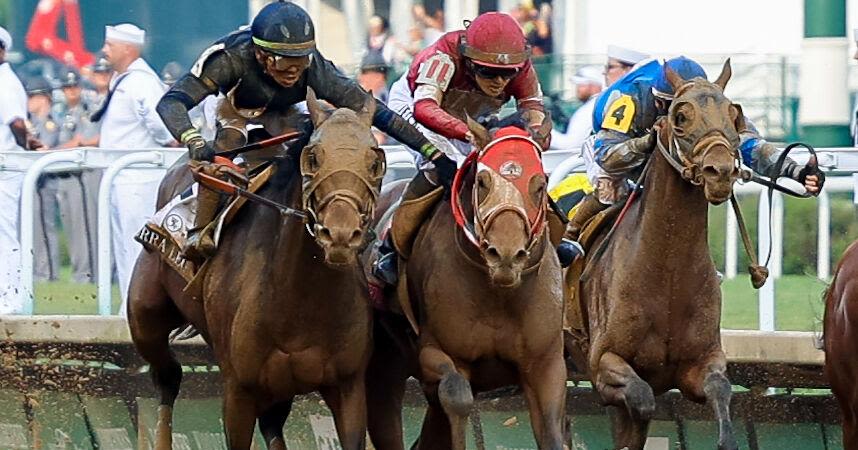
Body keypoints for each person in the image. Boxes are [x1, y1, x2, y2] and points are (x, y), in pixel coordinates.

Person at [156, 1, 442, 258]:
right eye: (283, 61)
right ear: (259, 55)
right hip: (234, 107)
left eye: (301, 60)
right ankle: (200, 233)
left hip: (286, 111)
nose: (294, 71)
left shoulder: (315, 67)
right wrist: (192, 138)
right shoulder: (229, 59)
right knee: (226, 150)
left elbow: (380, 114)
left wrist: (432, 152)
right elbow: (171, 102)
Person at [557, 57, 826, 265]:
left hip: (671, 149)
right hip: (614, 144)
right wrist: (647, 142)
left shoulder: (708, 103)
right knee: (611, 187)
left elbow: (749, 145)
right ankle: (574, 233)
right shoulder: (628, 99)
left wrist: (795, 170)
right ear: (660, 102)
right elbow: (608, 156)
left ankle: (695, 264)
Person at [375, 11, 552, 285]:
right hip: (415, 103)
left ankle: (550, 238)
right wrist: (467, 132)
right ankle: (390, 248)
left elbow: (533, 109)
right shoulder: (443, 56)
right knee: (441, 164)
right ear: (468, 61)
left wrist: (535, 136)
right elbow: (424, 109)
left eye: (508, 74)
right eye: (488, 71)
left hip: (468, 117)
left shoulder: (522, 64)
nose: (499, 81)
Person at [94, 23, 174, 313]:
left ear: (127, 49)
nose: (105, 50)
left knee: (135, 246)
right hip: (121, 177)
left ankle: (138, 308)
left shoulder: (141, 82)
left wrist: (168, 141)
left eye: (110, 45)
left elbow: (161, 126)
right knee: (123, 245)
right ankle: (128, 306)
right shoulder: (125, 79)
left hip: (138, 177)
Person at [55, 69, 100, 283]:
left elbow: (85, 140)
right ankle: (81, 272)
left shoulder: (87, 111)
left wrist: (54, 151)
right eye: (67, 87)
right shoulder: (62, 114)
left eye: (74, 86)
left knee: (89, 225)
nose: (71, 91)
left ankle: (89, 273)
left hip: (86, 174)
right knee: (73, 228)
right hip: (65, 175)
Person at [0, 26, 31, 311]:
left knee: (5, 233)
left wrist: (29, 145)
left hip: (6, 167)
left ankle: (11, 299)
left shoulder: (5, 82)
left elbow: (18, 123)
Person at [25, 77, 61, 282]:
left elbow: (44, 148)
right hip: (32, 182)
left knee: (45, 228)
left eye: (33, 96)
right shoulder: (31, 122)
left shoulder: (49, 124)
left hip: (45, 182)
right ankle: (39, 271)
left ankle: (48, 273)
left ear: (44, 98)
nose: (29, 100)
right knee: (34, 229)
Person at [551, 65, 603, 149]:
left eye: (581, 85)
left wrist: (544, 132)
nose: (577, 89)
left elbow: (570, 145)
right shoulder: (595, 104)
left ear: (594, 86)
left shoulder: (589, 109)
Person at [357, 52, 392, 144]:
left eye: (383, 73)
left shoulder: (387, 95)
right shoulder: (355, 98)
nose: (382, 78)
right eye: (376, 74)